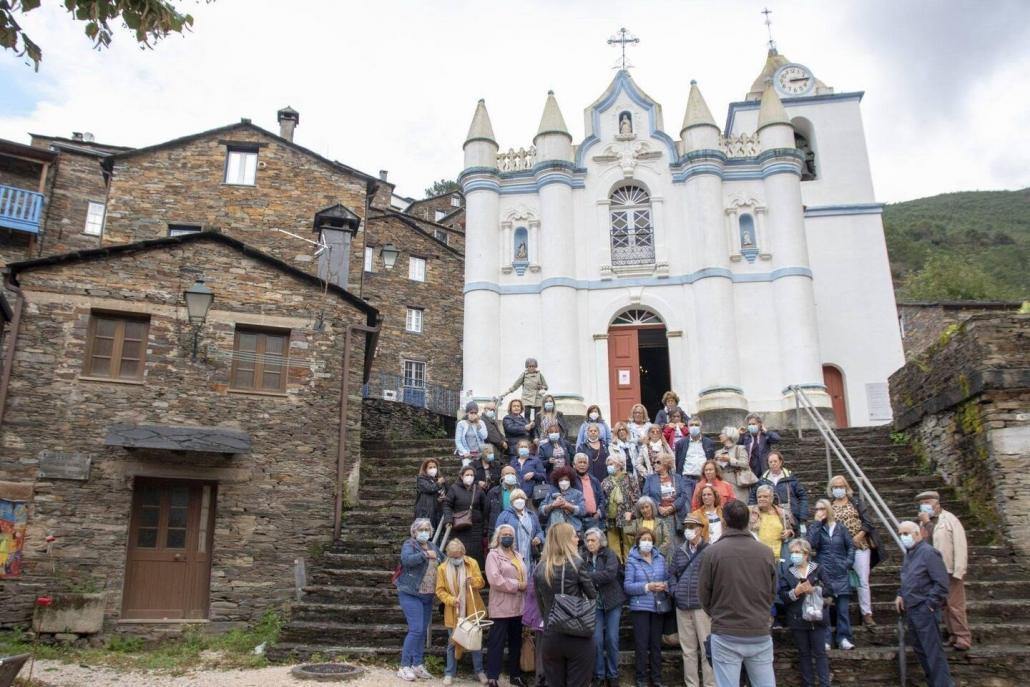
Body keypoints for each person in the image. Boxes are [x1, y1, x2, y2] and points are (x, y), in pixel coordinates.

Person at [698, 500, 778, 687]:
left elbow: (703, 594)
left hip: (726, 630)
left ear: (724, 522)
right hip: (758, 629)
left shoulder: (712, 552)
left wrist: (718, 614)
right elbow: (772, 592)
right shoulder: (766, 552)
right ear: (748, 521)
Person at [534, 522, 597, 687]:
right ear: (566, 539)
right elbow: (592, 596)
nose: (578, 539)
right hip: (577, 635)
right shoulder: (577, 564)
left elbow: (541, 605)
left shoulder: (539, 568)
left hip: (551, 635)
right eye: (575, 536)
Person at [895, 520, 953, 687]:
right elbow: (909, 579)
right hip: (912, 609)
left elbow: (941, 583)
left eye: (905, 534)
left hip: (924, 609)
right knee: (921, 651)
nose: (902, 537)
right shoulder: (909, 554)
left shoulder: (929, 553)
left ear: (917, 533)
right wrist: (900, 594)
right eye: (900, 534)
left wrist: (930, 605)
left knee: (933, 652)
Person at [916, 490, 970, 650]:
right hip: (932, 570)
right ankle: (952, 634)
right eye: (922, 503)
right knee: (944, 605)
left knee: (955, 604)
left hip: (949, 568)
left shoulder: (949, 520)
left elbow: (960, 544)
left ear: (936, 503)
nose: (924, 506)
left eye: (927, 502)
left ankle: (963, 637)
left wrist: (959, 569)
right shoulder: (922, 523)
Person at [828, 474, 884, 627]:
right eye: (835, 487)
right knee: (839, 581)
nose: (838, 489)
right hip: (840, 549)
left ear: (846, 487)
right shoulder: (830, 506)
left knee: (863, 580)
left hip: (860, 545)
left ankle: (867, 613)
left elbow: (867, 522)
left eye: (841, 486)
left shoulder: (857, 502)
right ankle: (841, 616)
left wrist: (859, 536)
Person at [436, 538, 489, 686]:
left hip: (472, 609)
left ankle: (479, 671)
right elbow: (439, 591)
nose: (455, 559)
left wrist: (473, 581)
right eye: (452, 556)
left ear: (463, 553)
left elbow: (481, 582)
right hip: (453, 611)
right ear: (448, 555)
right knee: (452, 643)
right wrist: (452, 600)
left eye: (458, 556)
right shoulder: (442, 568)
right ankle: (449, 673)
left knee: (475, 642)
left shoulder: (472, 563)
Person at [778, 538, 831, 687]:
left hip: (817, 618)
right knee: (804, 654)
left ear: (806, 554)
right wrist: (795, 592)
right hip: (798, 619)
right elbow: (782, 596)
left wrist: (814, 590)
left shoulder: (818, 569)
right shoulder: (788, 573)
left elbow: (830, 589)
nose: (794, 555)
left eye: (797, 552)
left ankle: (824, 684)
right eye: (792, 552)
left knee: (820, 654)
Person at [669, 515, 714, 687]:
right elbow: (671, 574)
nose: (688, 529)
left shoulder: (709, 551)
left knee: (706, 649)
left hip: (702, 607)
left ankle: (710, 684)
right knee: (687, 651)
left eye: (692, 526)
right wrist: (675, 592)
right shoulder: (679, 551)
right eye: (686, 526)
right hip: (682, 606)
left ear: (700, 528)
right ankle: (691, 684)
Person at [395, 518, 441, 682]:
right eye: (420, 530)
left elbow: (444, 561)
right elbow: (406, 560)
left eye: (427, 530)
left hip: (427, 595)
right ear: (414, 532)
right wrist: (424, 555)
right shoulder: (410, 545)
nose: (424, 532)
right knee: (415, 629)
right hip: (410, 593)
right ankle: (404, 666)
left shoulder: (433, 546)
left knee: (421, 631)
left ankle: (417, 664)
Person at [807, 498, 856, 650]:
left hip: (841, 572)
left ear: (828, 510)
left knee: (842, 610)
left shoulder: (841, 528)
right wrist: (816, 524)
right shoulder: (816, 528)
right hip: (824, 573)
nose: (819, 512)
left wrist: (847, 563)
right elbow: (810, 545)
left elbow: (851, 547)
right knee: (824, 610)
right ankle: (826, 639)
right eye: (817, 509)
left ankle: (844, 637)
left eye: (822, 509)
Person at [625, 528, 669, 687]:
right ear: (638, 541)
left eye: (649, 539)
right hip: (640, 608)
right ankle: (641, 678)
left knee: (656, 644)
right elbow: (628, 586)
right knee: (641, 644)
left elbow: (668, 578)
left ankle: (657, 678)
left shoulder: (660, 559)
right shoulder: (631, 561)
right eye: (644, 539)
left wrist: (665, 585)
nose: (647, 542)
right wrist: (647, 586)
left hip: (658, 607)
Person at [485, 524, 528, 687]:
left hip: (518, 606)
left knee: (516, 642)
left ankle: (515, 675)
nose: (508, 536)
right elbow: (495, 580)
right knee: (496, 643)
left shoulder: (518, 555)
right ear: (498, 537)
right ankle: (492, 677)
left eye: (510, 534)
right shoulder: (493, 555)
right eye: (504, 534)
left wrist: (524, 585)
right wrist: (518, 585)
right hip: (501, 606)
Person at [584, 527, 626, 687]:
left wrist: (588, 576)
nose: (589, 543)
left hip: (612, 601)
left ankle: (613, 674)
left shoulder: (609, 554)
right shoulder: (584, 557)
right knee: (596, 640)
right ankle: (599, 674)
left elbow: (610, 574)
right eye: (587, 541)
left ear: (600, 541)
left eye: (592, 540)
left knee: (612, 639)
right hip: (595, 603)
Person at [749, 451, 808, 532]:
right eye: (770, 462)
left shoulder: (791, 478)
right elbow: (753, 497)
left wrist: (802, 517)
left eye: (775, 461)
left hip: (790, 519)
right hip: (768, 517)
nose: (773, 463)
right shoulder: (762, 480)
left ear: (780, 462)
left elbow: (803, 497)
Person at [444, 465, 488, 568]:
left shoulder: (478, 489)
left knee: (476, 552)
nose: (470, 477)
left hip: (476, 528)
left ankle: (476, 577)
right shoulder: (454, 488)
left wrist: (484, 524)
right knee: (460, 550)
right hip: (459, 527)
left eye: (472, 475)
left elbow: (485, 507)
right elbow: (447, 505)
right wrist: (448, 519)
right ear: (461, 476)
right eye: (467, 474)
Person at [643, 454, 690, 550]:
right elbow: (646, 496)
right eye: (654, 462)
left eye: (658, 462)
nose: (655, 464)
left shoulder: (677, 478)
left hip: (674, 515)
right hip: (657, 515)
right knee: (659, 543)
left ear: (666, 464)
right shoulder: (650, 479)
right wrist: (658, 506)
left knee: (673, 545)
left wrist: (672, 507)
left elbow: (683, 495)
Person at [601, 453, 640, 561]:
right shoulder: (605, 481)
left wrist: (632, 513)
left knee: (629, 543)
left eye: (612, 464)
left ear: (619, 465)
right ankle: (617, 569)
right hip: (611, 517)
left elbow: (637, 497)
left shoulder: (630, 477)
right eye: (608, 464)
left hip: (627, 516)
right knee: (613, 545)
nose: (609, 466)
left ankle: (630, 567)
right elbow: (603, 499)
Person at [495, 488, 544, 564]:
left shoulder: (532, 515)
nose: (519, 500)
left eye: (522, 498)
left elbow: (539, 531)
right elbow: (497, 536)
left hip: (529, 556)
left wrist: (538, 538)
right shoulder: (504, 515)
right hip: (511, 556)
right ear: (511, 501)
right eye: (516, 498)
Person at [749, 484, 796, 562]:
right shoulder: (751, 513)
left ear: (772, 498)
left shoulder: (783, 513)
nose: (761, 499)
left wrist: (789, 533)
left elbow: (792, 531)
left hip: (778, 557)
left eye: (765, 496)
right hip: (757, 557)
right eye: (759, 497)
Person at [521, 564, 547, 687]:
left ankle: (541, 681)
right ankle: (541, 681)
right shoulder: (541, 568)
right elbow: (531, 592)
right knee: (542, 652)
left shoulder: (540, 567)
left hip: (545, 618)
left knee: (543, 652)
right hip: (543, 618)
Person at [540, 466, 586, 533]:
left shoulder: (577, 494)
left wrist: (568, 506)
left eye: (566, 480)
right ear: (557, 482)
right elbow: (541, 510)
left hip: (572, 531)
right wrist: (552, 505)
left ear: (570, 480)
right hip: (554, 532)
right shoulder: (550, 494)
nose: (564, 482)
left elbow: (583, 511)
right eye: (561, 480)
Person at [714, 426, 753, 503]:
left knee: (740, 508)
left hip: (738, 483)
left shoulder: (740, 449)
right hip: (724, 484)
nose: (719, 436)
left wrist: (729, 460)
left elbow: (745, 464)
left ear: (729, 435)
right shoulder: (718, 452)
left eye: (722, 434)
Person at [571, 453, 606, 533]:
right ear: (574, 465)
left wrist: (599, 512)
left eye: (584, 462)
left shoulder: (594, 480)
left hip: (593, 519)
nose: (582, 465)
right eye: (580, 462)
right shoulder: (571, 480)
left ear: (588, 465)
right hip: (577, 519)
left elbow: (602, 498)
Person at [738, 413, 780, 478]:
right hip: (749, 470)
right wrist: (740, 435)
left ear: (760, 424)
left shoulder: (765, 436)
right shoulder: (746, 436)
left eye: (753, 424)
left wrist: (766, 431)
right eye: (749, 424)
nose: (751, 426)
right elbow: (738, 446)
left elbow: (777, 439)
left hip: (763, 469)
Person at [486, 465, 522, 538]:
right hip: (497, 529)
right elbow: (486, 512)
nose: (510, 475)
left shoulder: (520, 492)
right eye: (507, 474)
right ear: (502, 476)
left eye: (513, 474)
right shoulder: (493, 492)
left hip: (517, 529)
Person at [414, 458, 446, 529]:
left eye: (434, 467)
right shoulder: (421, 479)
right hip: (425, 510)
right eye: (430, 467)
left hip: (437, 510)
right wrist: (438, 483)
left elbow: (444, 492)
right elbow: (429, 489)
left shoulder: (438, 479)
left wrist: (442, 497)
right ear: (425, 469)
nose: (433, 469)